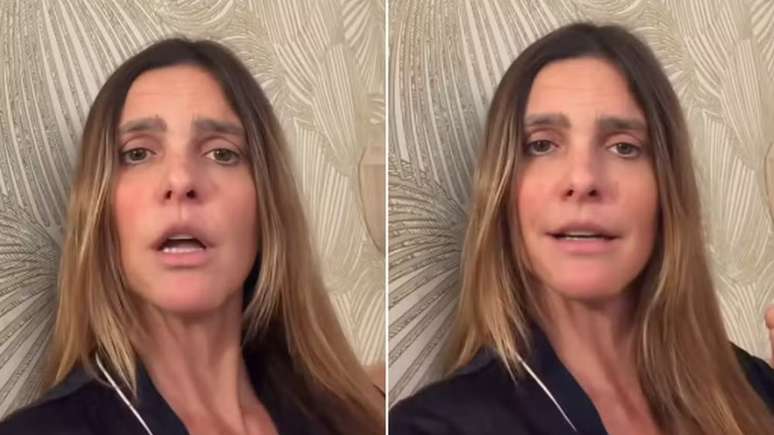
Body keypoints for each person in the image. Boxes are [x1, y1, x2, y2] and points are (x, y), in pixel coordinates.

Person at [390, 22, 773, 435]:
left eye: (623, 147)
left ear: (667, 189)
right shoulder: (435, 427)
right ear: (502, 192)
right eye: (542, 145)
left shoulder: (755, 390)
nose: (583, 179)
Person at [0, 38, 384, 435]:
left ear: (266, 206)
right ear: (101, 213)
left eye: (221, 153)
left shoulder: (354, 416)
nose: (181, 180)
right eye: (138, 153)